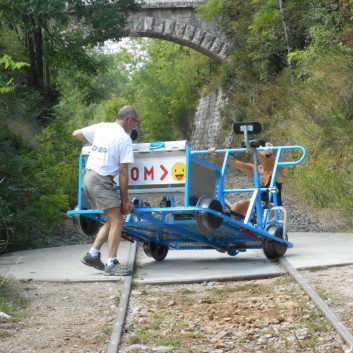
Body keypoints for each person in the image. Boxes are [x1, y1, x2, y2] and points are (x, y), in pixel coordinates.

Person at [72, 105, 139, 276]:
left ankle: (92, 254)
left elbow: (76, 133)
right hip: (101, 180)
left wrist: (98, 144)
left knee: (112, 219)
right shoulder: (124, 139)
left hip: (89, 178)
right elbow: (123, 172)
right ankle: (112, 263)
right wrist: (125, 200)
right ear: (129, 120)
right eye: (135, 123)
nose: (134, 127)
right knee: (118, 221)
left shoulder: (101, 127)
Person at [208, 142, 283, 219]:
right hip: (257, 204)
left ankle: (235, 221)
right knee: (226, 202)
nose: (268, 158)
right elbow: (235, 162)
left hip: (272, 205)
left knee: (238, 206)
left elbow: (267, 164)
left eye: (269, 156)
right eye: (265, 156)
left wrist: (255, 151)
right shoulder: (256, 169)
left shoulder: (277, 169)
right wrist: (218, 153)